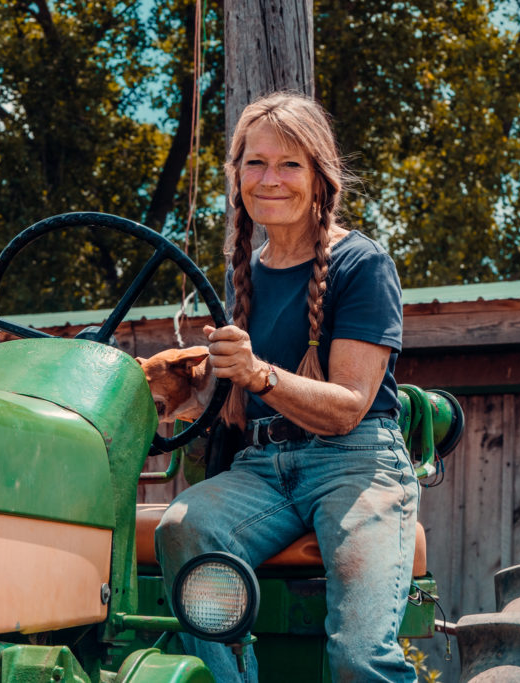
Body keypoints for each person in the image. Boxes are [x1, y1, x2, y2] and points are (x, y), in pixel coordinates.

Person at [155, 92, 418, 683]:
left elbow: (349, 408)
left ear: (320, 177)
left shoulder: (362, 264)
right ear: (237, 177)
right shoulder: (242, 271)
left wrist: (259, 374)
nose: (269, 179)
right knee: (182, 527)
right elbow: (232, 392)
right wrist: (174, 392)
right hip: (265, 467)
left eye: (289, 165)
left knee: (357, 657)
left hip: (356, 465)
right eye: (255, 163)